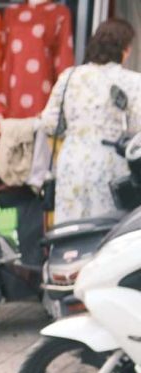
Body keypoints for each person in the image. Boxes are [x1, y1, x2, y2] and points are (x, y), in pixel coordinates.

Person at [40, 19, 141, 223]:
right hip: (111, 163)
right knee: (106, 229)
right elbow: (137, 128)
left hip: (71, 160)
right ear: (125, 49)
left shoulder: (69, 76)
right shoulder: (133, 81)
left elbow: (50, 123)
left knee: (70, 227)